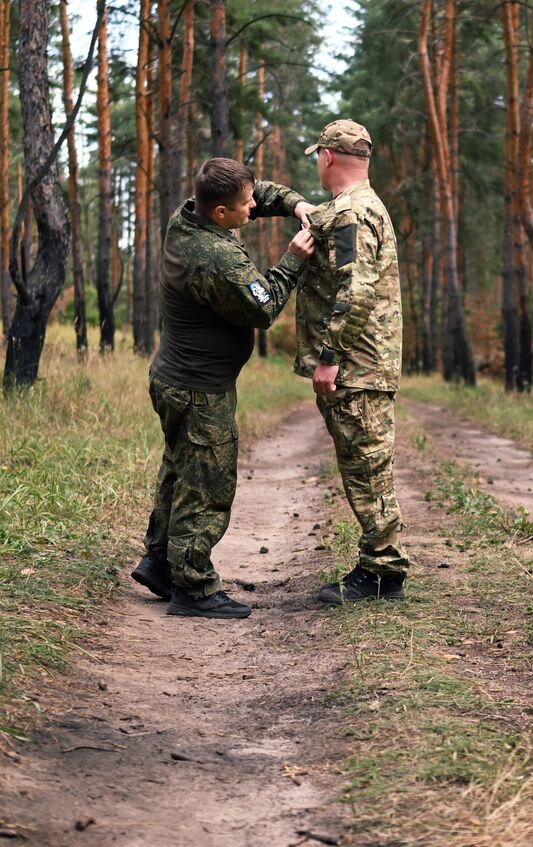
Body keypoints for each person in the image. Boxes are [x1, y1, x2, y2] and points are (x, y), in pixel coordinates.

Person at [136, 157, 315, 619]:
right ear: (221, 214)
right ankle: (193, 588)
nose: (254, 207)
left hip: (173, 378)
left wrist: (295, 204)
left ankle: (160, 561)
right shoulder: (216, 257)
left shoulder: (189, 214)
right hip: (199, 391)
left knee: (180, 469)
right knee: (207, 483)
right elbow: (264, 307)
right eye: (245, 204)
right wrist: (294, 258)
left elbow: (251, 193)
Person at [296, 119, 411, 605]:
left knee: (367, 468)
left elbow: (356, 287)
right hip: (365, 364)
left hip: (356, 367)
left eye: (317, 157)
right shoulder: (361, 207)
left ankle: (383, 571)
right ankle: (379, 567)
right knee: (367, 466)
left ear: (327, 157)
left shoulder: (351, 213)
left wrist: (330, 357)